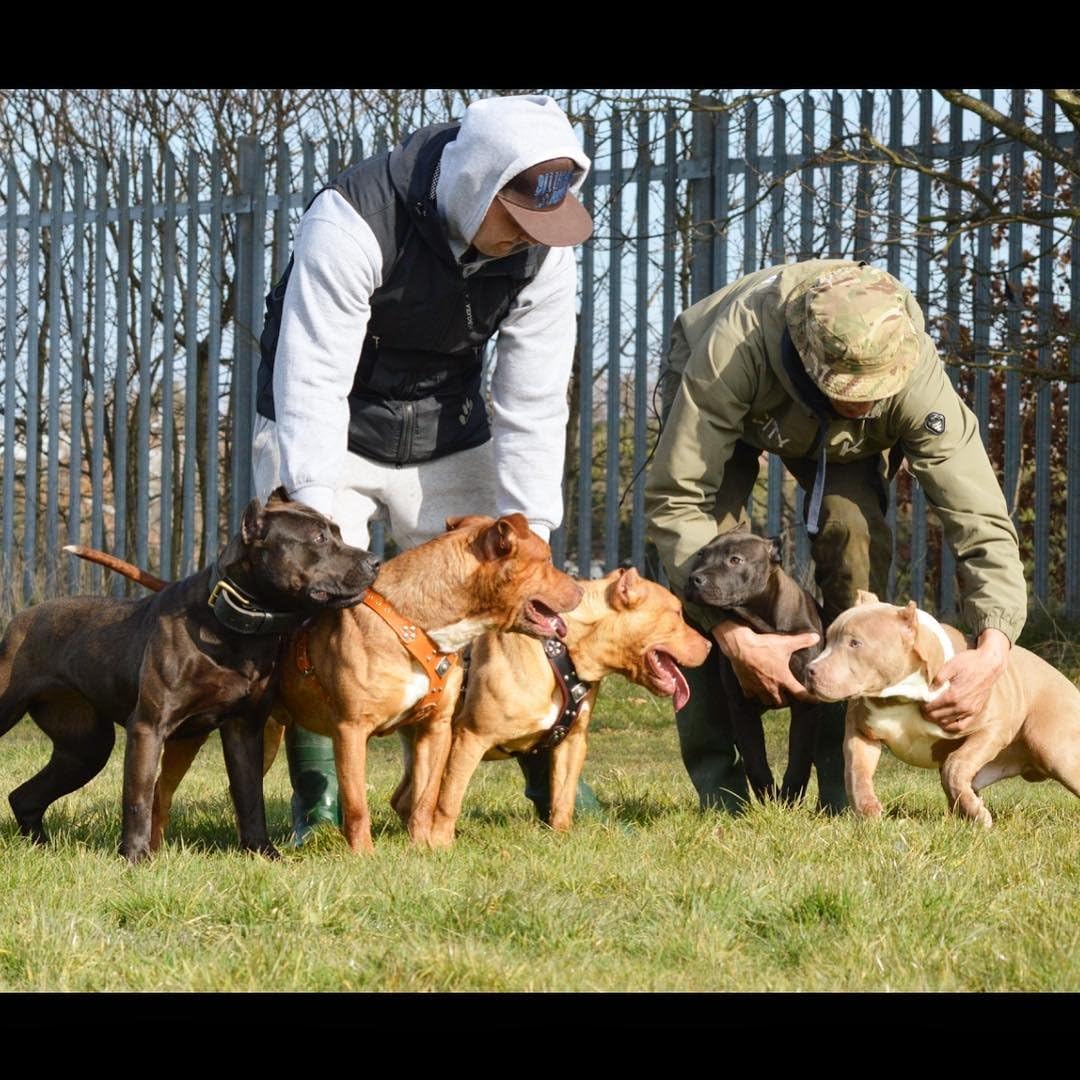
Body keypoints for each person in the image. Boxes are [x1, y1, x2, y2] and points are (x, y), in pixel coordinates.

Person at [254, 94, 599, 841]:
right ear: (479, 185)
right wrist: (318, 524)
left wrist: (529, 532)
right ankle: (316, 795)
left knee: (499, 600)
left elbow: (535, 396)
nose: (528, 241)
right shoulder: (351, 221)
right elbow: (311, 381)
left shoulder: (543, 251)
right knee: (315, 602)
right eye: (518, 220)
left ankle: (543, 780)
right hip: (329, 427)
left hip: (447, 428)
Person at [645, 260, 1028, 812]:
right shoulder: (732, 352)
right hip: (740, 395)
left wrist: (993, 649)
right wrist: (735, 636)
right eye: (855, 392)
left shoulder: (910, 371)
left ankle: (841, 782)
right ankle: (721, 785)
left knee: (855, 534)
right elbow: (678, 500)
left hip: (848, 443)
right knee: (705, 572)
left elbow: (981, 518)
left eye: (878, 392)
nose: (868, 401)